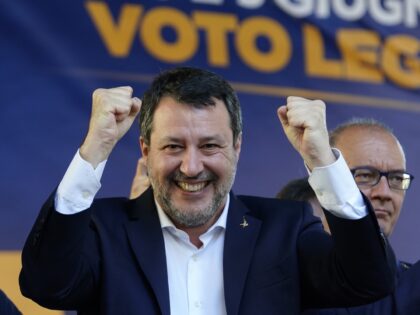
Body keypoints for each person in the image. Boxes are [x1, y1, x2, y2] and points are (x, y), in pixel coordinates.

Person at [19, 67, 396, 314]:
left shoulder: (286, 229)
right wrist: (93, 151)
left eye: (210, 146)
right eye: (173, 146)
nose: (192, 166)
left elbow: (368, 280)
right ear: (146, 151)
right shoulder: (104, 230)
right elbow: (47, 285)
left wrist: (322, 160)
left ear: (237, 148)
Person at [288, 118, 419, 315]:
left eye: (396, 179)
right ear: (323, 179)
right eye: (365, 175)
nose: (385, 192)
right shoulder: (280, 278)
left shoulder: (410, 289)